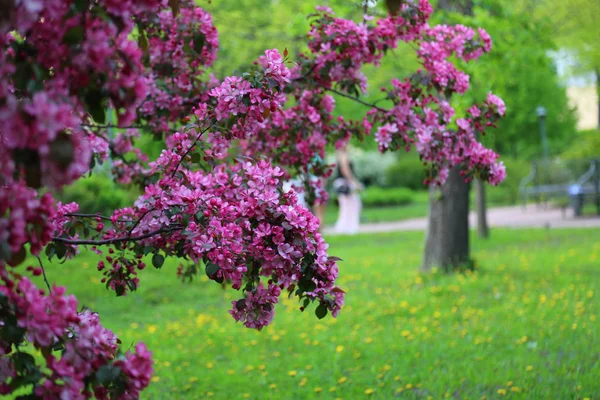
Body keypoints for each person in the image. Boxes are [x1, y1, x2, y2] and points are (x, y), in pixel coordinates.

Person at [333, 145, 362, 234]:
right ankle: (349, 227)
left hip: (342, 182)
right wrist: (355, 182)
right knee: (352, 205)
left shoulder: (339, 155)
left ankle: (346, 227)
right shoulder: (343, 155)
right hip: (345, 183)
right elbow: (345, 171)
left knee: (346, 206)